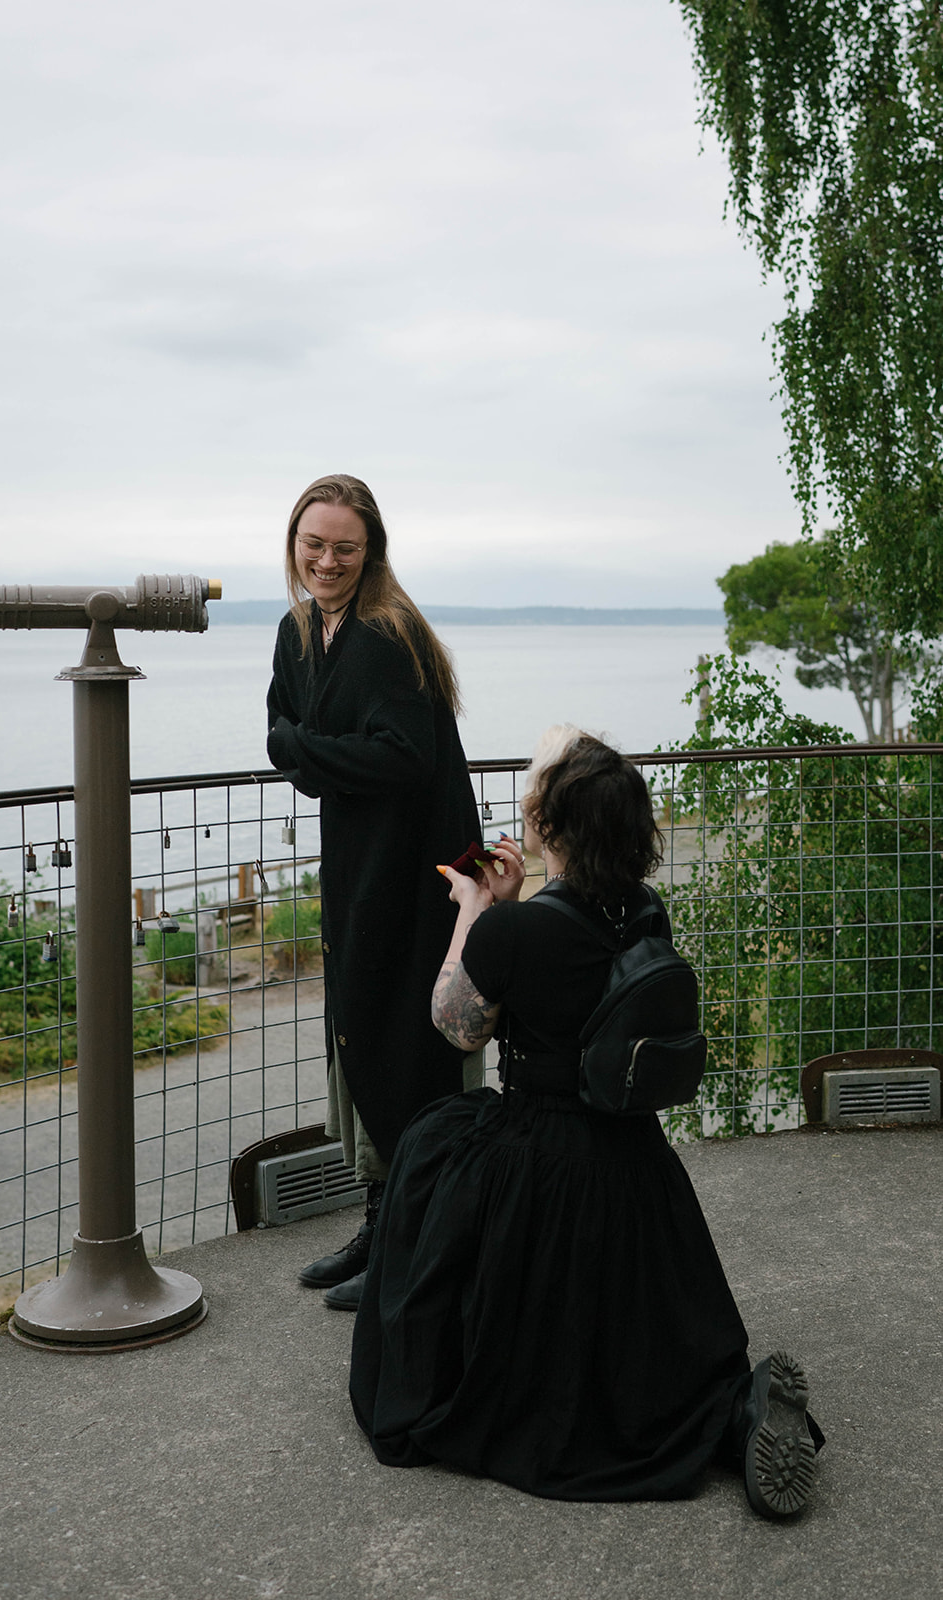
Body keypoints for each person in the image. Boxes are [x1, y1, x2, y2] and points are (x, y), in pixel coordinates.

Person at [349, 726, 824, 1514]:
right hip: (634, 1160)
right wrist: (516, 903)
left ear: (550, 828)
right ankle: (734, 1413)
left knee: (431, 1148)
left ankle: (634, 1412)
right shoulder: (644, 911)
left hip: (541, 1162)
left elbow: (454, 1025)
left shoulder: (514, 928)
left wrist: (475, 909)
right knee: (659, 1362)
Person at [266, 473, 484, 1310]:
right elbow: (283, 730)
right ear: (294, 545)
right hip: (356, 863)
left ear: (371, 551)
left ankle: (413, 1246)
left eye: (343, 549)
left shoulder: (387, 636)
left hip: (416, 871)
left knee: (405, 1050)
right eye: (313, 545)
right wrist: (307, 747)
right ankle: (381, 1223)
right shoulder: (300, 633)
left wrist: (306, 749)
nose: (325, 560)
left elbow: (401, 759)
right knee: (361, 1036)